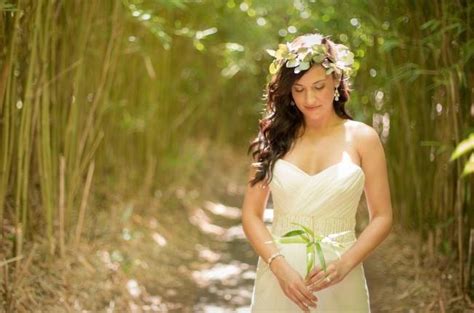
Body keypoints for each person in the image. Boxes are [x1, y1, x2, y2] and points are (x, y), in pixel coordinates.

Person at [241, 32, 393, 312]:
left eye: (318, 86)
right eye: (298, 89)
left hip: (340, 280)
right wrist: (279, 267)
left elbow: (382, 217)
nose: (309, 99)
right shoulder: (274, 138)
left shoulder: (363, 138)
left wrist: (346, 263)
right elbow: (251, 215)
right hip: (281, 281)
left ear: (336, 81)